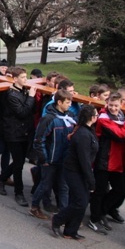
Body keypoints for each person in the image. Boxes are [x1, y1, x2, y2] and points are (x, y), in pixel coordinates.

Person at [88, 93, 125, 234]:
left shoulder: (121, 116)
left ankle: (103, 211)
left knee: (121, 188)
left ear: (121, 105)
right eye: (111, 105)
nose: (114, 109)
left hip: (117, 161)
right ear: (106, 104)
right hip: (104, 160)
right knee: (99, 190)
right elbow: (120, 134)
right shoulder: (103, 118)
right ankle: (94, 218)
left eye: (116, 106)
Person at [51, 105, 99, 240]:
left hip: (80, 171)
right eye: (96, 115)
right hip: (74, 171)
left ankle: (70, 230)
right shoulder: (83, 134)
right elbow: (84, 160)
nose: (97, 117)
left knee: (79, 201)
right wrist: (91, 181)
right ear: (91, 117)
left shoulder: (88, 131)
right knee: (80, 202)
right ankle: (58, 219)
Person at [0, 67, 37, 207]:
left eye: (26, 77)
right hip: (13, 133)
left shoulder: (23, 90)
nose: (25, 79)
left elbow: (31, 111)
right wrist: (31, 97)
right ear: (15, 78)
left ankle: (1, 178)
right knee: (18, 164)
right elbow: (22, 112)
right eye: (23, 77)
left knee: (19, 161)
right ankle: (19, 193)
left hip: (24, 132)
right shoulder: (11, 95)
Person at [30, 90, 76, 219]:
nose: (70, 105)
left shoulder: (70, 116)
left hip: (64, 159)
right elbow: (39, 140)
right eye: (67, 102)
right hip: (50, 159)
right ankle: (34, 207)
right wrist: (43, 158)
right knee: (45, 184)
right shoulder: (49, 119)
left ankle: (64, 214)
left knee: (63, 186)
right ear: (59, 102)